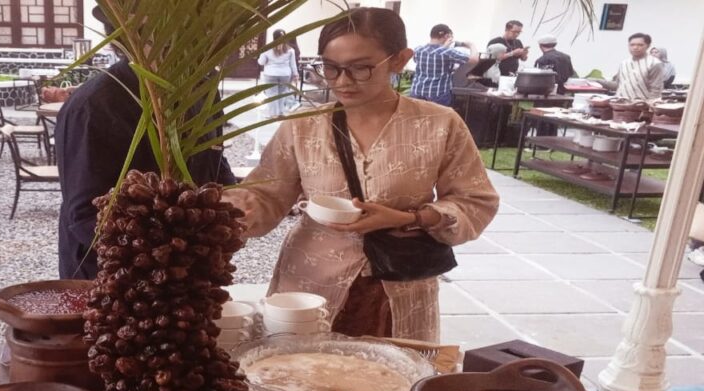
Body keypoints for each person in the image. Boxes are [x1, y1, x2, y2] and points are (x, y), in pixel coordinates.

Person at [226, 7, 498, 342]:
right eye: (330, 67)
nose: (342, 81)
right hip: (312, 285)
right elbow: (268, 193)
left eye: (360, 68)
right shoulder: (304, 125)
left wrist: (411, 218)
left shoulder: (438, 124)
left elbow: (475, 200)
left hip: (400, 284)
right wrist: (238, 209)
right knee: (300, 367)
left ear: (399, 60)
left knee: (394, 368)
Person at [54, 6, 235, 280]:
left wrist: (236, 204)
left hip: (190, 272)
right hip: (113, 279)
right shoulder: (94, 106)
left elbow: (213, 161)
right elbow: (86, 217)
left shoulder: (203, 90)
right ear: (124, 37)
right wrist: (165, 252)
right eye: (157, 32)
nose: (178, 41)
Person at [409, 24, 476, 106]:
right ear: (447, 36)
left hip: (417, 92)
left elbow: (434, 57)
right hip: (438, 95)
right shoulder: (447, 52)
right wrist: (471, 45)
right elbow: (474, 60)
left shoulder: (418, 50)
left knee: (417, 114)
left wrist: (445, 46)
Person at [258, 30, 299, 118]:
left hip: (270, 74)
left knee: (272, 94)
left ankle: (274, 114)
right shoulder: (290, 50)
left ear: (274, 37)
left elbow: (261, 62)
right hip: (285, 74)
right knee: (282, 93)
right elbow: (293, 64)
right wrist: (296, 74)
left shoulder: (267, 49)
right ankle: (281, 113)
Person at [614, 33, 665, 101]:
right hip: (620, 103)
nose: (635, 47)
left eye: (640, 45)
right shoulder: (624, 63)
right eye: (632, 45)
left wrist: (649, 105)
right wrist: (600, 81)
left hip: (642, 104)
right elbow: (618, 84)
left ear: (648, 46)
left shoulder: (654, 63)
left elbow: (656, 89)